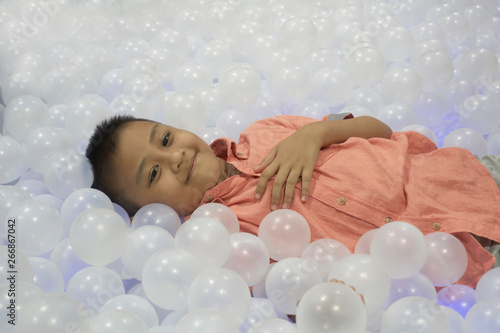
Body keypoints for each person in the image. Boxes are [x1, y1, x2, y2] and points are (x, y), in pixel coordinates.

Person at [86, 113, 500, 287]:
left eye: (165, 138)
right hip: (455, 263)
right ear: (153, 213)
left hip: (462, 181)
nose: (174, 155)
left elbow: (381, 128)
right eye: (153, 173)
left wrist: (313, 135)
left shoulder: (265, 131)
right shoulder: (222, 237)